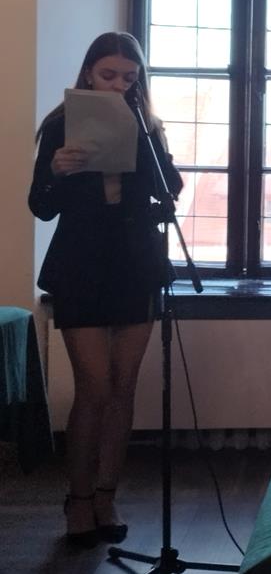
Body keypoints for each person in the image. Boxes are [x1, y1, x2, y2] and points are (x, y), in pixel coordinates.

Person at [29, 32, 183, 547]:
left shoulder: (147, 125)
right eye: (109, 75)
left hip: (135, 266)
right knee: (93, 388)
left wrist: (149, 151)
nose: (119, 85)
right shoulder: (59, 125)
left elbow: (170, 189)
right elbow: (40, 206)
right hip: (81, 268)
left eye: (130, 78)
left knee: (123, 388)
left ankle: (105, 495)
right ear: (88, 74)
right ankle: (77, 498)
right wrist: (57, 171)